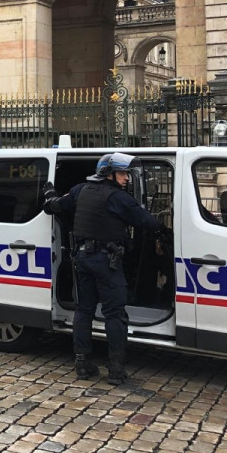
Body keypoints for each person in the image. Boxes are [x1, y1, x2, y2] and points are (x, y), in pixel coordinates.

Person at [43, 152, 163, 384]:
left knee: (84, 311)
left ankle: (82, 364)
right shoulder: (118, 198)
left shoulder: (79, 190)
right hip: (107, 262)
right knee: (115, 314)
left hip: (82, 259)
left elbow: (54, 206)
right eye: (122, 174)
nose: (126, 178)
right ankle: (116, 371)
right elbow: (147, 222)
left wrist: (49, 193)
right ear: (109, 174)